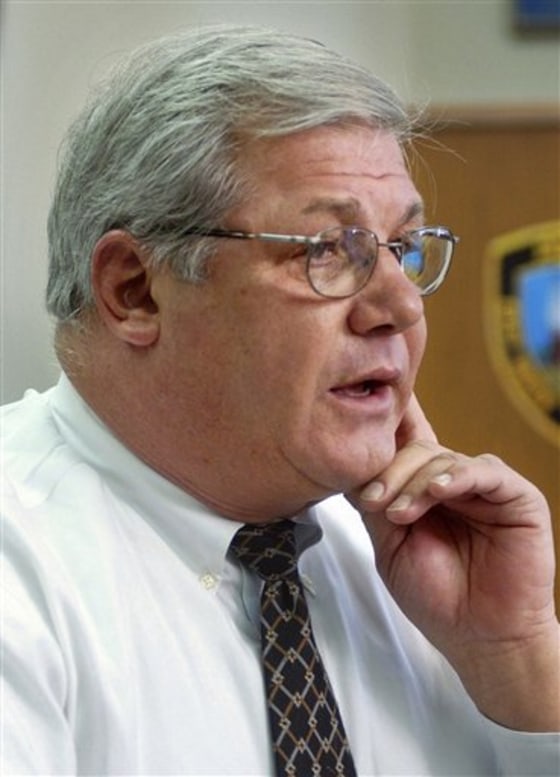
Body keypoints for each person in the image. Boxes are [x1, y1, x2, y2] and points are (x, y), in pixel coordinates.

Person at [1, 24, 558, 777]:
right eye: (329, 250)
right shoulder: (22, 566)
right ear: (134, 290)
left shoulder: (414, 555)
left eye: (407, 248)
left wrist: (515, 654)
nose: (399, 304)